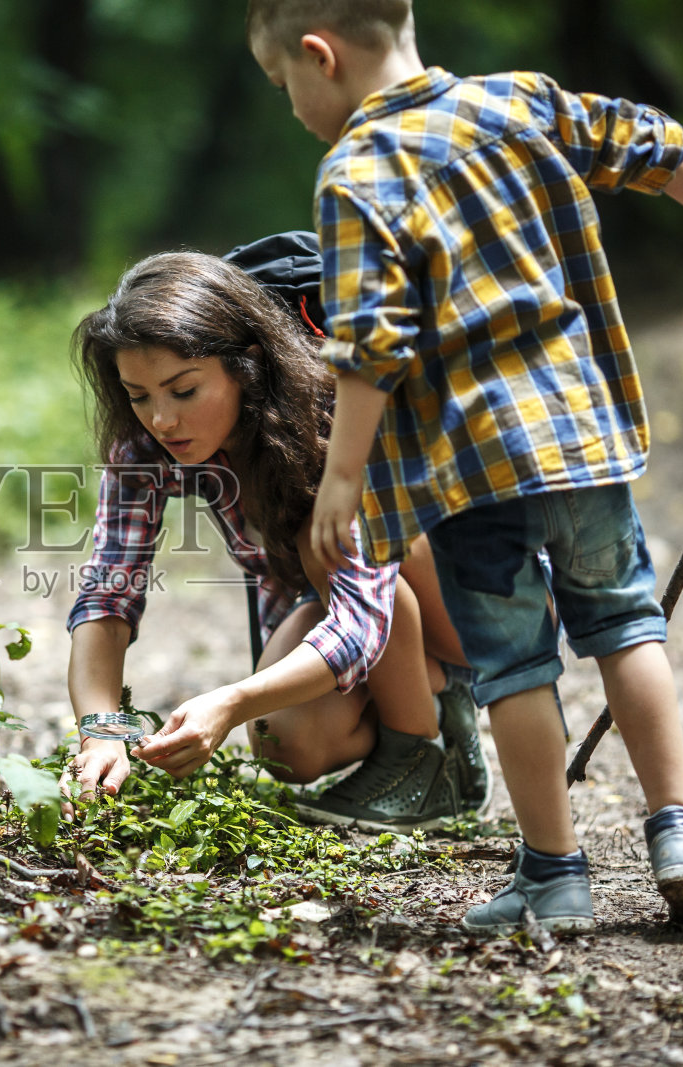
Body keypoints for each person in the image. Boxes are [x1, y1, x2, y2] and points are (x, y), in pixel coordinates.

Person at [247, 0, 683, 933]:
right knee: (627, 624)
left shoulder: (353, 170)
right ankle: (680, 829)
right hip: (582, 439)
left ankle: (554, 873)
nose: (292, 104)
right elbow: (650, 142)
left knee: (514, 668)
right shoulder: (517, 103)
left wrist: (343, 477)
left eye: (283, 84)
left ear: (321, 55)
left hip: (469, 473)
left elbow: (371, 342)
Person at [63, 237, 487, 831]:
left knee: (324, 531)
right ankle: (440, 699)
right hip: (347, 606)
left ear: (249, 366)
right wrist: (100, 731)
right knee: (285, 746)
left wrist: (231, 702)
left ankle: (419, 760)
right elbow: (108, 593)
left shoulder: (334, 415)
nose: (161, 419)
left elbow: (363, 617)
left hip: (467, 602)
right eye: (138, 396)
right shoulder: (142, 451)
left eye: (184, 391)